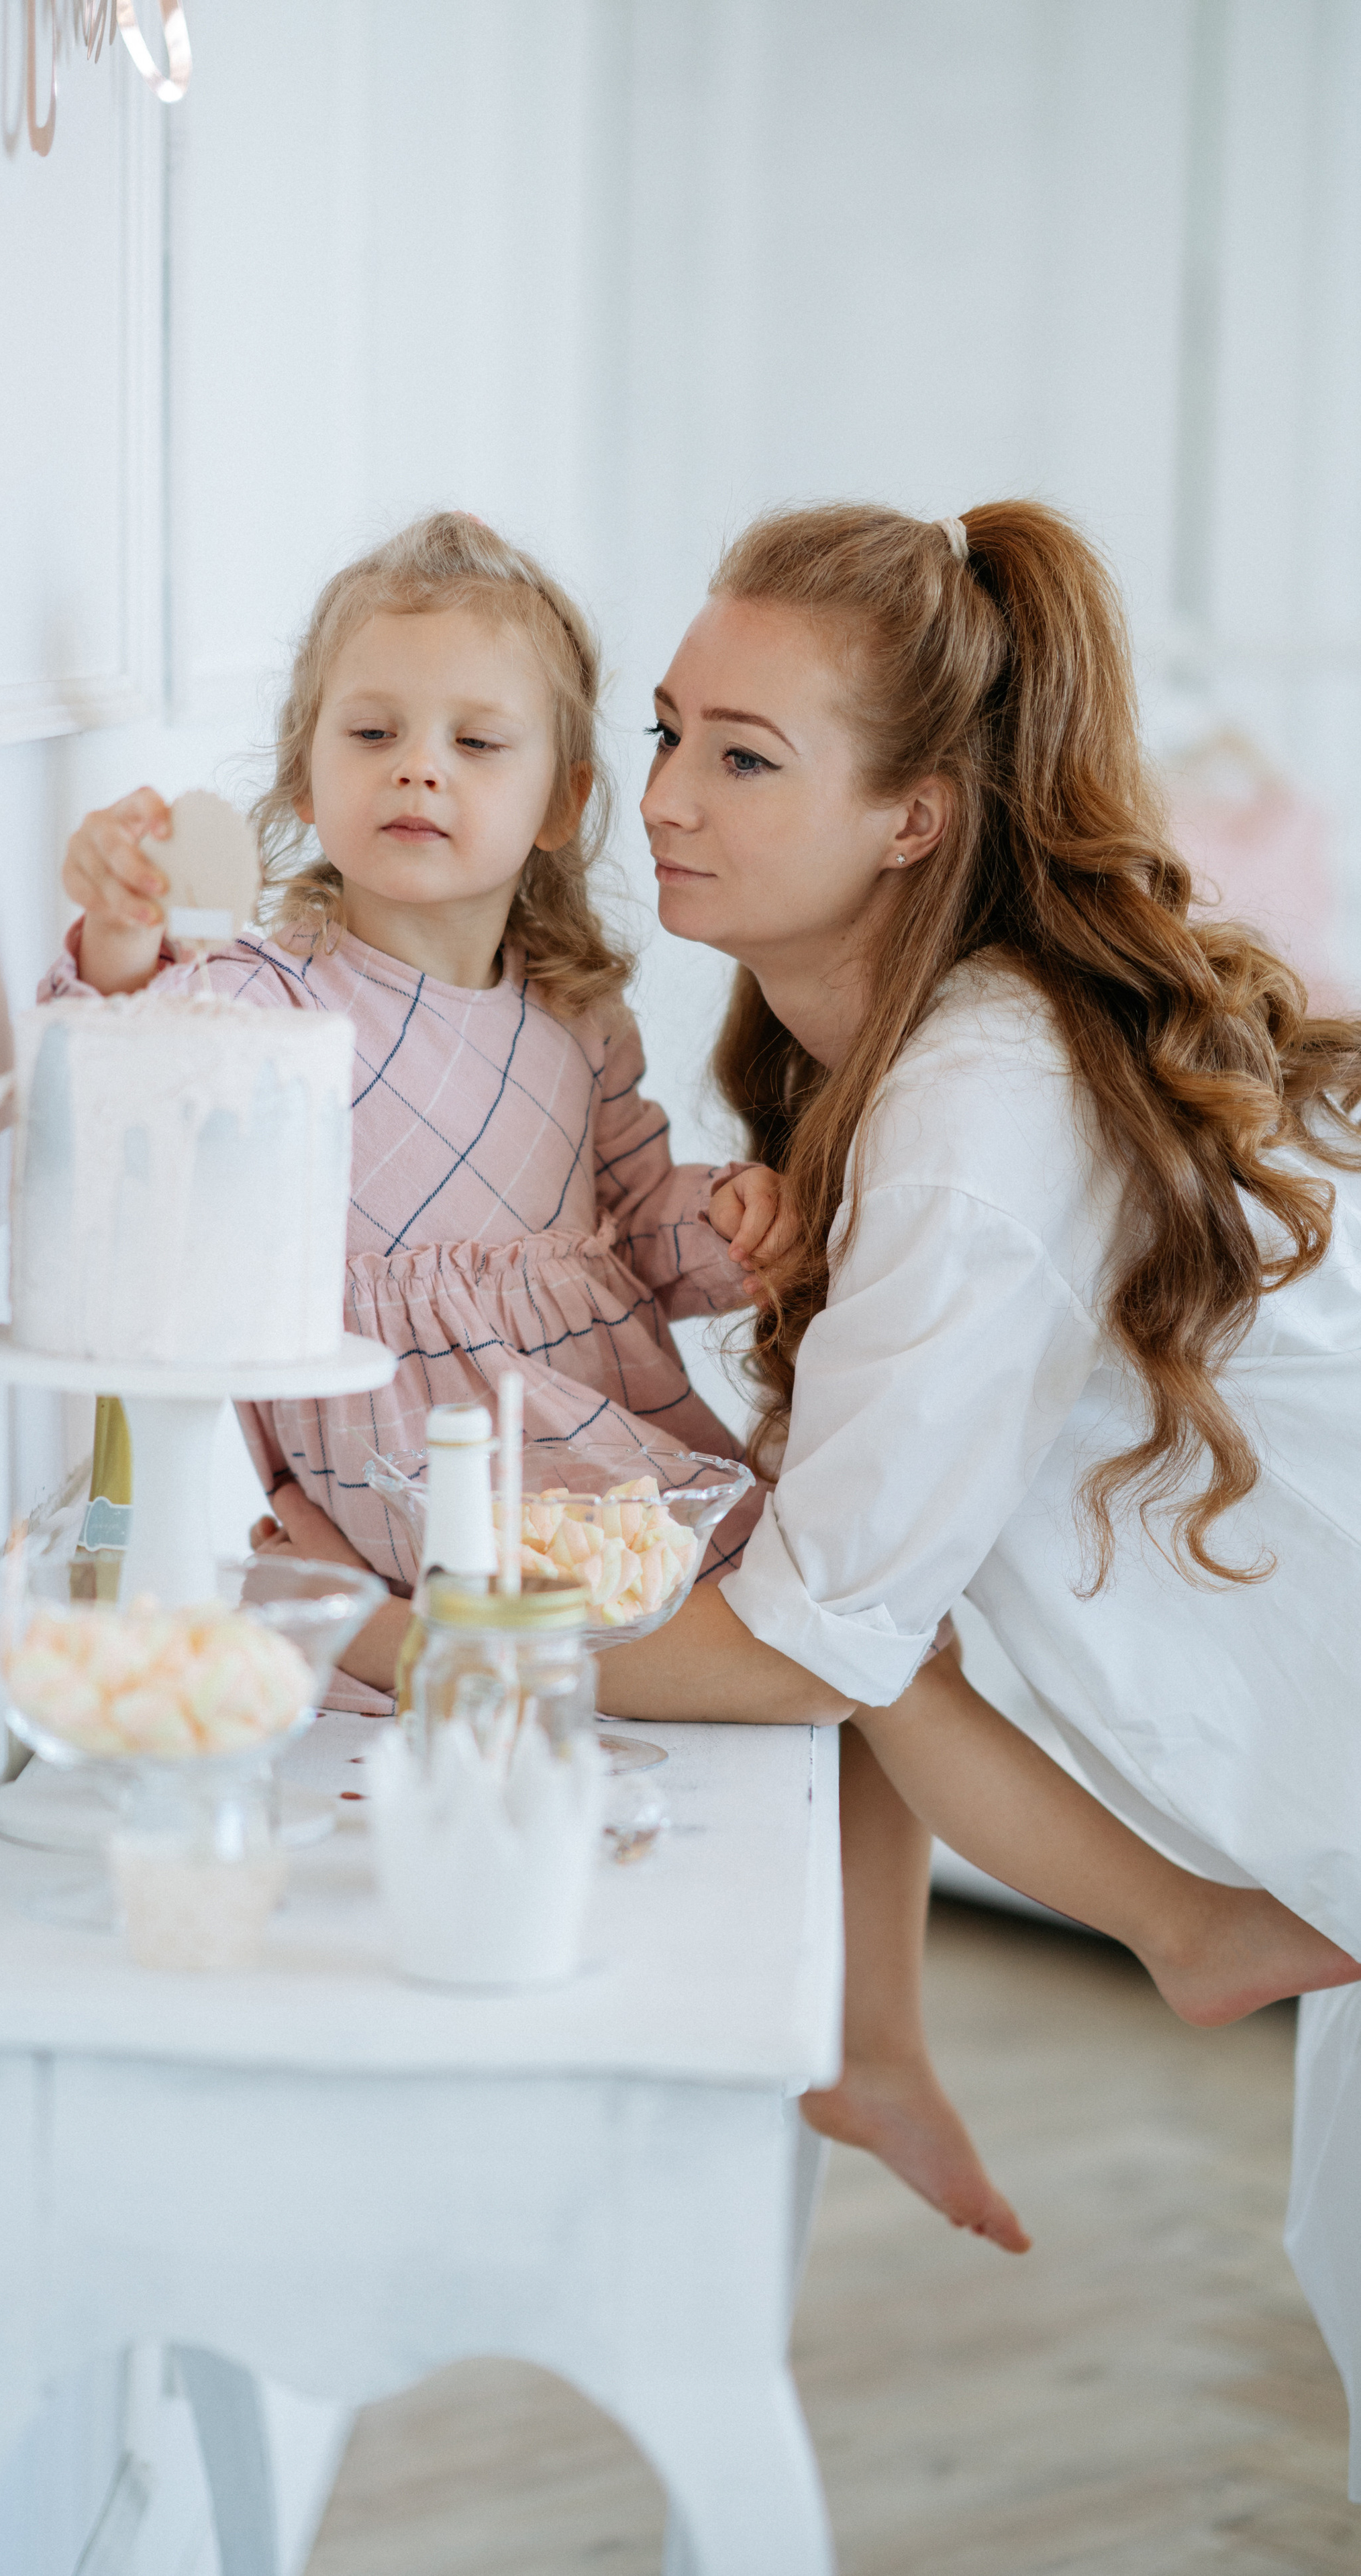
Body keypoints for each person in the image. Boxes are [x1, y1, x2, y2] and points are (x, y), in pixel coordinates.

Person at [574, 497, 1361, 2453]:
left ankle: (1187, 1933)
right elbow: (847, 1584)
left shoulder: (974, 1116)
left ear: (913, 815)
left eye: (746, 756)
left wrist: (415, 1632)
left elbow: (804, 1640)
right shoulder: (880, 1057)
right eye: (670, 728)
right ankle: (1165, 1938)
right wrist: (882, 2038)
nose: (667, 792)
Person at [47, 509, 783, 1720]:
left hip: (577, 1445)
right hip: (388, 1460)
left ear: (561, 800)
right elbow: (136, 1048)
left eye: (479, 740)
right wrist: (124, 921)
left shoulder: (578, 1016)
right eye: (372, 731)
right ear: (305, 769)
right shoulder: (270, 994)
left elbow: (643, 1221)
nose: (418, 766)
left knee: (773, 1611)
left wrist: (736, 1220)